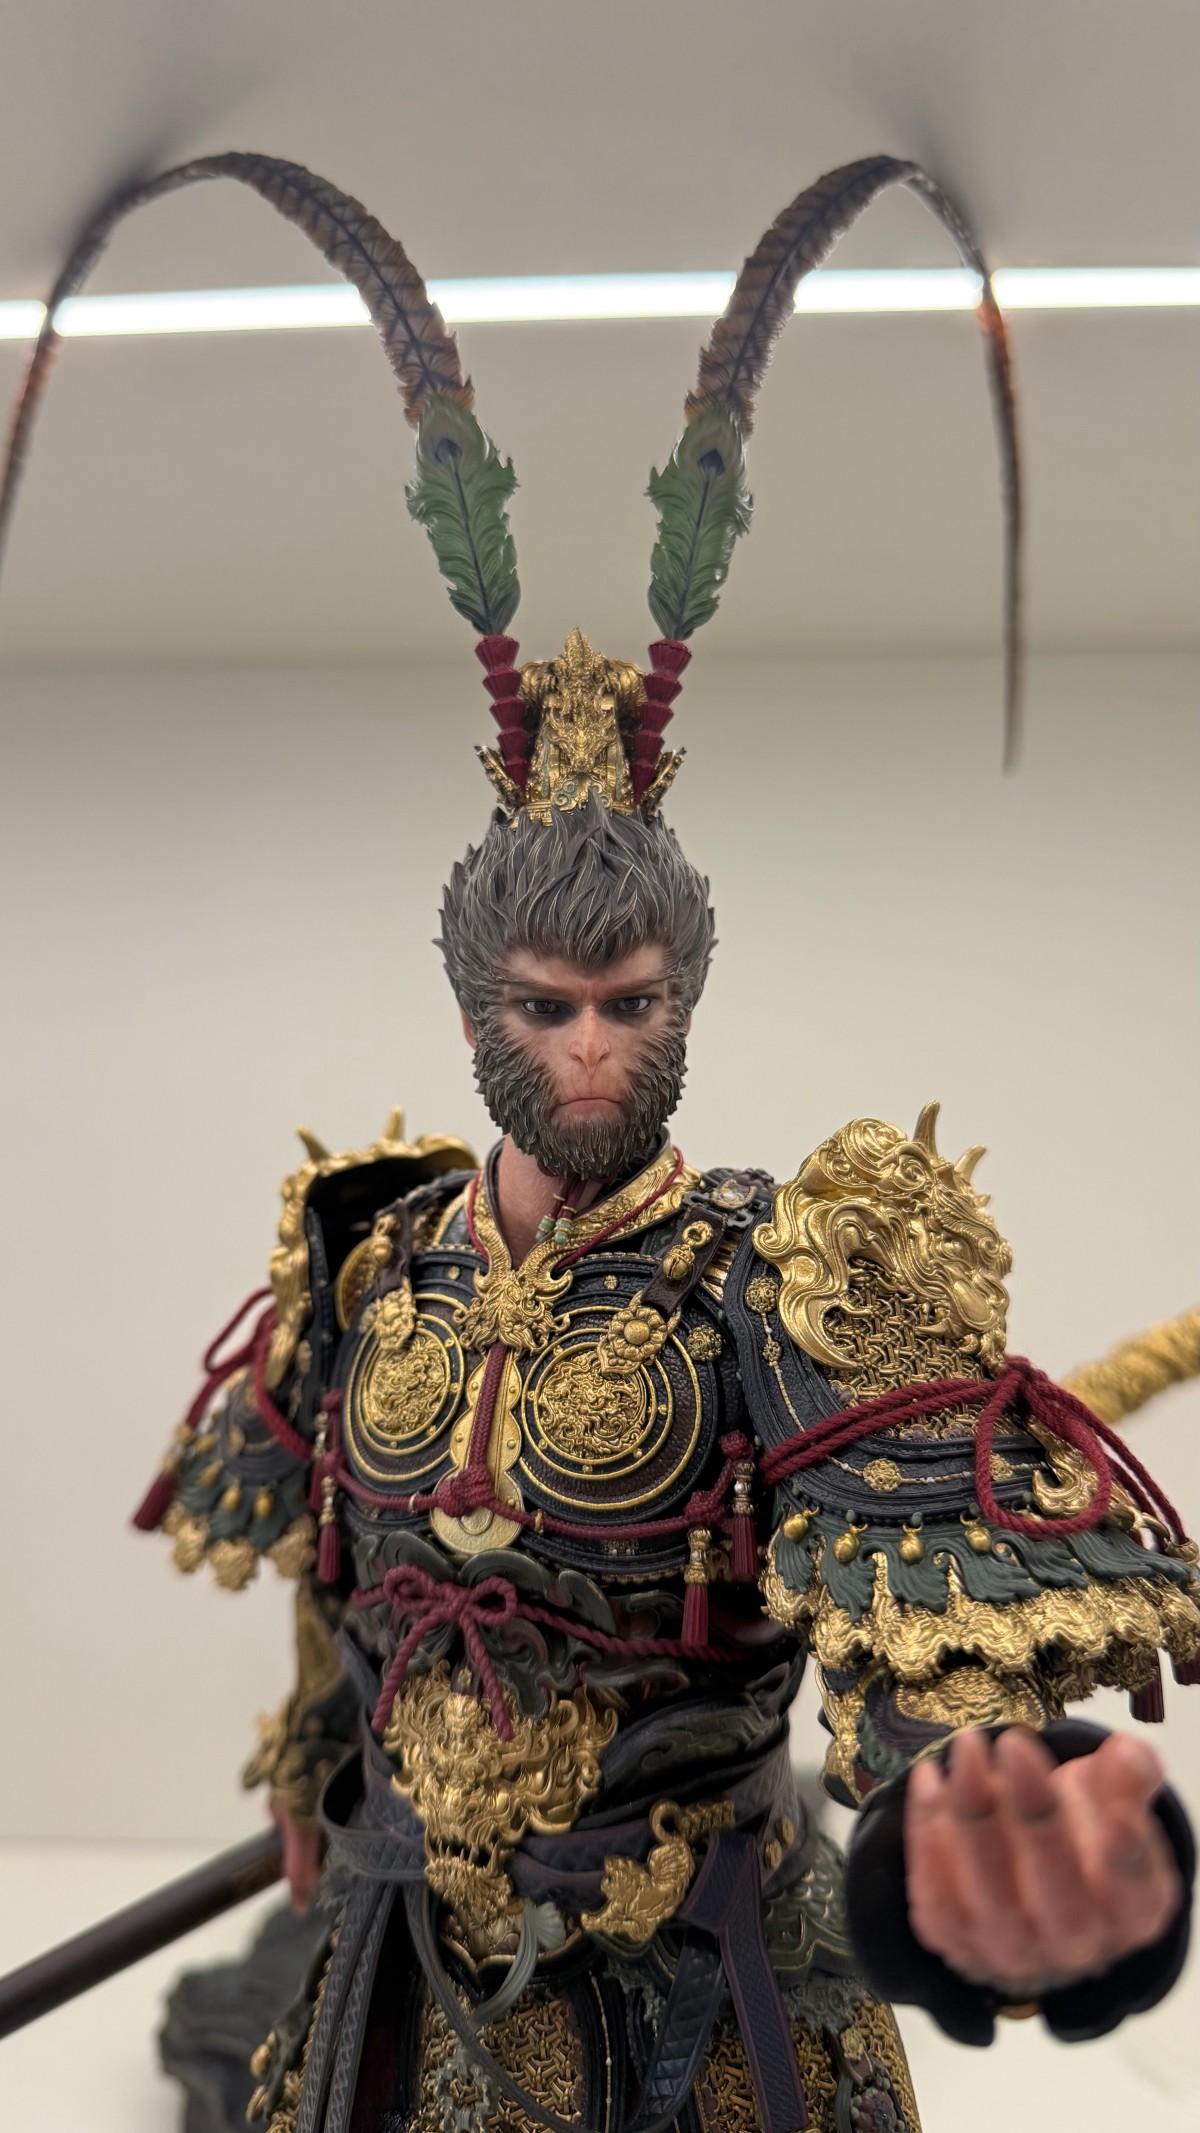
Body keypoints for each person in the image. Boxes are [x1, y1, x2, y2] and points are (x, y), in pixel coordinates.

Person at [5, 151, 1198, 2133]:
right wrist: (318, 1769)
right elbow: (336, 1560)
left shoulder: (786, 1272)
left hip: (701, 1978)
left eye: (625, 1003)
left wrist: (968, 1831)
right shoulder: (371, 1249)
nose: (582, 1048)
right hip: (406, 1941)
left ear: (681, 996)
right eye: (543, 1006)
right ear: (475, 1001)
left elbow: (914, 1635)